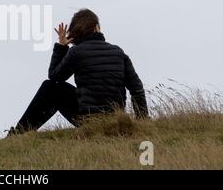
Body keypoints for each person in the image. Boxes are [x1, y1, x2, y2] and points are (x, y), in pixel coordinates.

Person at [8, 9, 148, 136]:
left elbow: (54, 77)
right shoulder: (118, 52)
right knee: (52, 86)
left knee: (50, 87)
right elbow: (137, 89)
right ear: (96, 27)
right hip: (115, 119)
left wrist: (62, 47)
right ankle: (19, 134)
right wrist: (142, 120)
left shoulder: (76, 52)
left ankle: (18, 134)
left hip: (88, 120)